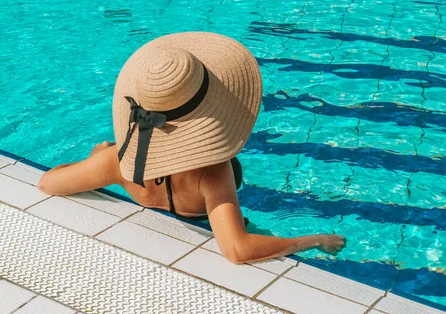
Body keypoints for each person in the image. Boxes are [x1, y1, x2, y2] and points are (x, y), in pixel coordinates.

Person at [37, 32, 346, 264]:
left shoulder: (116, 162)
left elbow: (48, 182)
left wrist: (94, 159)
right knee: (274, 246)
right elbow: (238, 250)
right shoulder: (212, 171)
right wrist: (312, 240)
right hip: (217, 229)